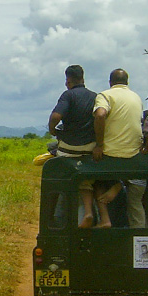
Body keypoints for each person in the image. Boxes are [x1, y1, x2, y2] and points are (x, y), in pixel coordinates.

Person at [92, 68, 144, 228]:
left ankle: (103, 218)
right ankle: (120, 184)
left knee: (91, 181)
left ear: (110, 82)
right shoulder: (137, 97)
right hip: (134, 153)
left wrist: (99, 145)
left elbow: (100, 115)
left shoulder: (105, 95)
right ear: (127, 83)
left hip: (110, 154)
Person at [49, 64, 99, 228]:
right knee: (86, 182)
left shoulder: (68, 95)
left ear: (68, 80)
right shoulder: (95, 96)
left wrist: (53, 130)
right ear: (83, 79)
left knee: (63, 181)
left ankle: (58, 220)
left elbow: (56, 115)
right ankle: (88, 212)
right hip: (90, 149)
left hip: (69, 149)